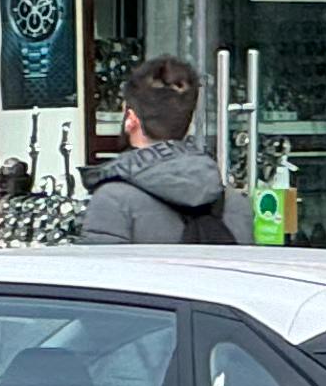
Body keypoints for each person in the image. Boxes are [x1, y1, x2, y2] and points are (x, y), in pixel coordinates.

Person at [77, 56, 237, 246]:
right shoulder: (236, 204)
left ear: (130, 119)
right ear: (188, 121)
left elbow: (99, 272)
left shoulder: (113, 201)